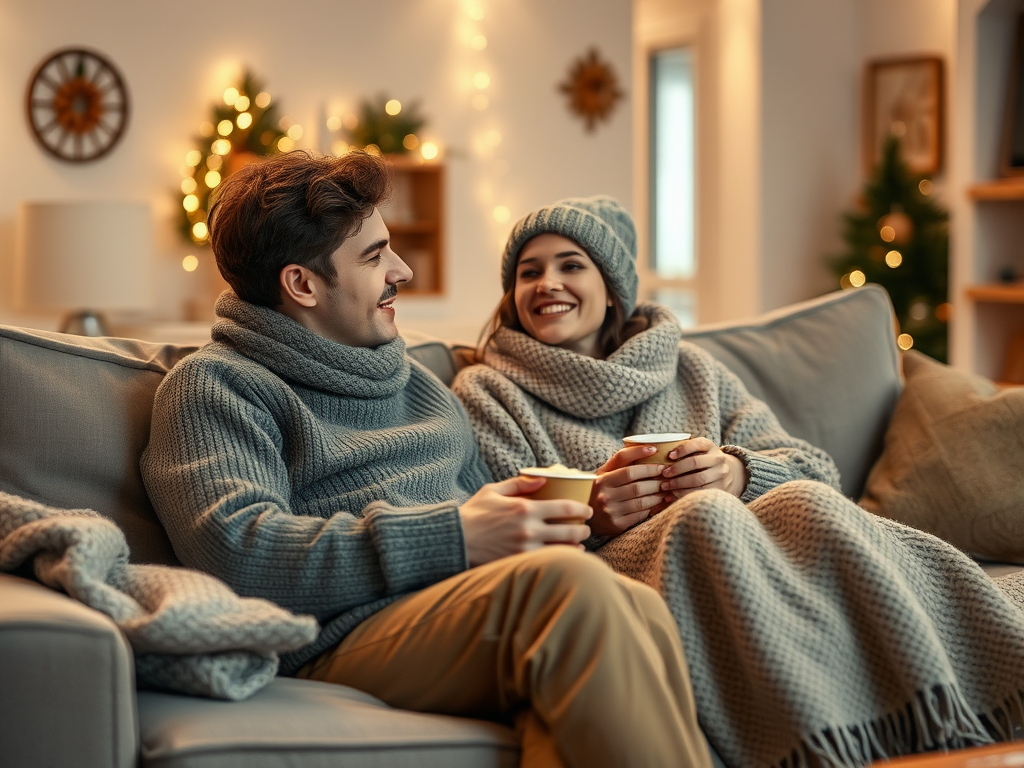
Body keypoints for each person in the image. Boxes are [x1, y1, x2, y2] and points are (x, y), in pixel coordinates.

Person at [139, 151, 713, 768]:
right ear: (302, 283)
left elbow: (491, 520)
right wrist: (453, 537)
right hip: (339, 632)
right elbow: (238, 552)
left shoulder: (418, 385)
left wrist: (584, 515)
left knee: (642, 608)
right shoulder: (218, 386)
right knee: (568, 593)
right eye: (373, 256)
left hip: (463, 606)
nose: (402, 270)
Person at [451, 196, 1024, 768]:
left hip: (754, 558)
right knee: (706, 514)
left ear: (613, 289)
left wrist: (739, 471)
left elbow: (816, 468)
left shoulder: (694, 369)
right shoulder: (488, 392)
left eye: (570, 264)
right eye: (529, 272)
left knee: (805, 499)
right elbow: (511, 546)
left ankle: (948, 718)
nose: (547, 282)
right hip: (621, 581)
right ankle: (819, 748)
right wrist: (592, 515)